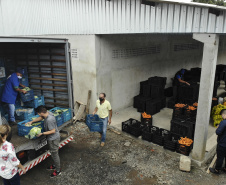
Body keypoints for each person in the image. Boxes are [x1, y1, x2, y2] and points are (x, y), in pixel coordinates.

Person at [26, 106, 61, 177]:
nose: (38, 115)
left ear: (41, 113)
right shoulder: (48, 113)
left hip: (53, 139)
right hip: (52, 138)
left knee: (55, 154)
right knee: (53, 153)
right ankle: (55, 165)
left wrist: (42, 133)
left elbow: (53, 131)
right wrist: (32, 121)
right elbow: (41, 118)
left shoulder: (49, 120)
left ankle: (58, 170)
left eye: (38, 113)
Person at [209, 109, 226, 174]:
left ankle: (217, 170)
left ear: (224, 115)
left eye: (222, 115)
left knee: (220, 157)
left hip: (223, 143)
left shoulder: (223, 122)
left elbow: (218, 132)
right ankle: (225, 168)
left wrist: (218, 128)